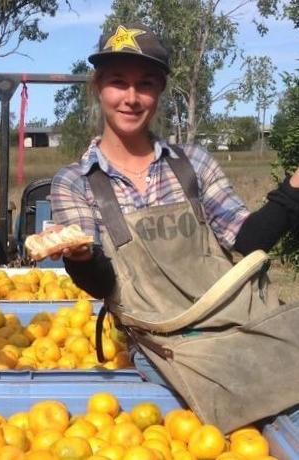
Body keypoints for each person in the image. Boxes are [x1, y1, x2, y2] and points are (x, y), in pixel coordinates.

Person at [50, 23, 299, 432]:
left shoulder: (193, 164)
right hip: (162, 346)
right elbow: (99, 283)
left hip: (232, 323)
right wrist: (80, 256)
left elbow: (248, 240)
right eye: (118, 83)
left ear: (161, 91)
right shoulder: (75, 182)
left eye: (145, 84)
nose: (131, 98)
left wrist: (294, 188)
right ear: (98, 87)